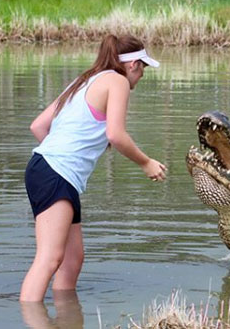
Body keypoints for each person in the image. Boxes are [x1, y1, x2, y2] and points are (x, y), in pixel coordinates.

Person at [20, 34, 167, 302]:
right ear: (133, 64)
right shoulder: (117, 81)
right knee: (49, 258)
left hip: (50, 170)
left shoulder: (84, 80)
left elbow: (38, 126)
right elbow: (116, 134)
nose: (142, 75)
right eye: (143, 68)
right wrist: (146, 163)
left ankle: (67, 317)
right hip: (56, 173)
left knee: (73, 259)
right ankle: (30, 316)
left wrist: (66, 156)